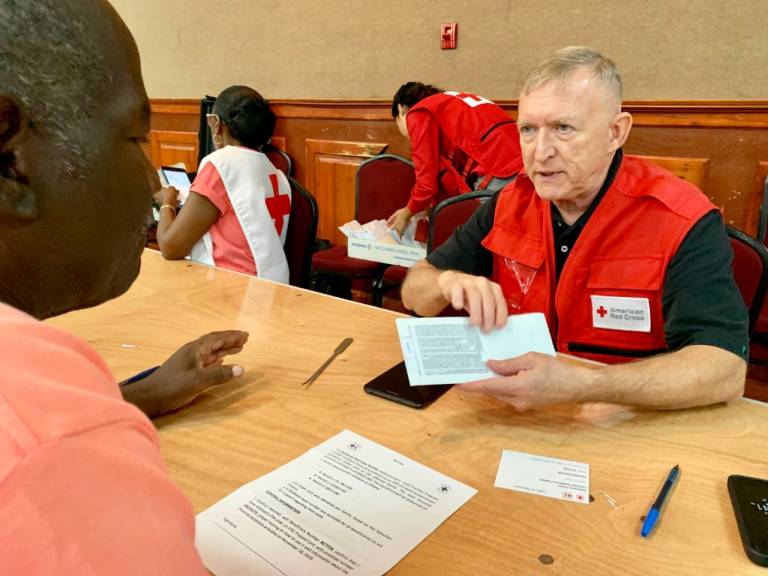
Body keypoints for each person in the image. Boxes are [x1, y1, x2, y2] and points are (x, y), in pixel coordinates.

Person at [0, 1, 243, 572]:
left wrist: (133, 396)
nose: (153, 180)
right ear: (10, 158)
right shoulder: (35, 429)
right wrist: (74, 426)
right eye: (136, 138)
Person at [401, 46, 748, 411]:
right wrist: (444, 283)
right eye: (528, 130)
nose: (540, 151)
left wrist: (585, 385)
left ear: (616, 132)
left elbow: (725, 370)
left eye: (563, 128)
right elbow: (414, 292)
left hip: (630, 425)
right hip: (517, 416)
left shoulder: (681, 219)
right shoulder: (509, 202)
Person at [156, 86, 292, 282]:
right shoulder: (277, 175)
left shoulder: (220, 163)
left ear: (217, 124)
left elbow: (170, 248)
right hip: (273, 285)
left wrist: (167, 202)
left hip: (229, 287)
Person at [386, 82, 523, 235]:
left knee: (485, 237)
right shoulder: (449, 102)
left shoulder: (418, 113)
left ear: (400, 109)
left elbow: (426, 182)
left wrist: (407, 212)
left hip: (498, 167)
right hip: (524, 158)